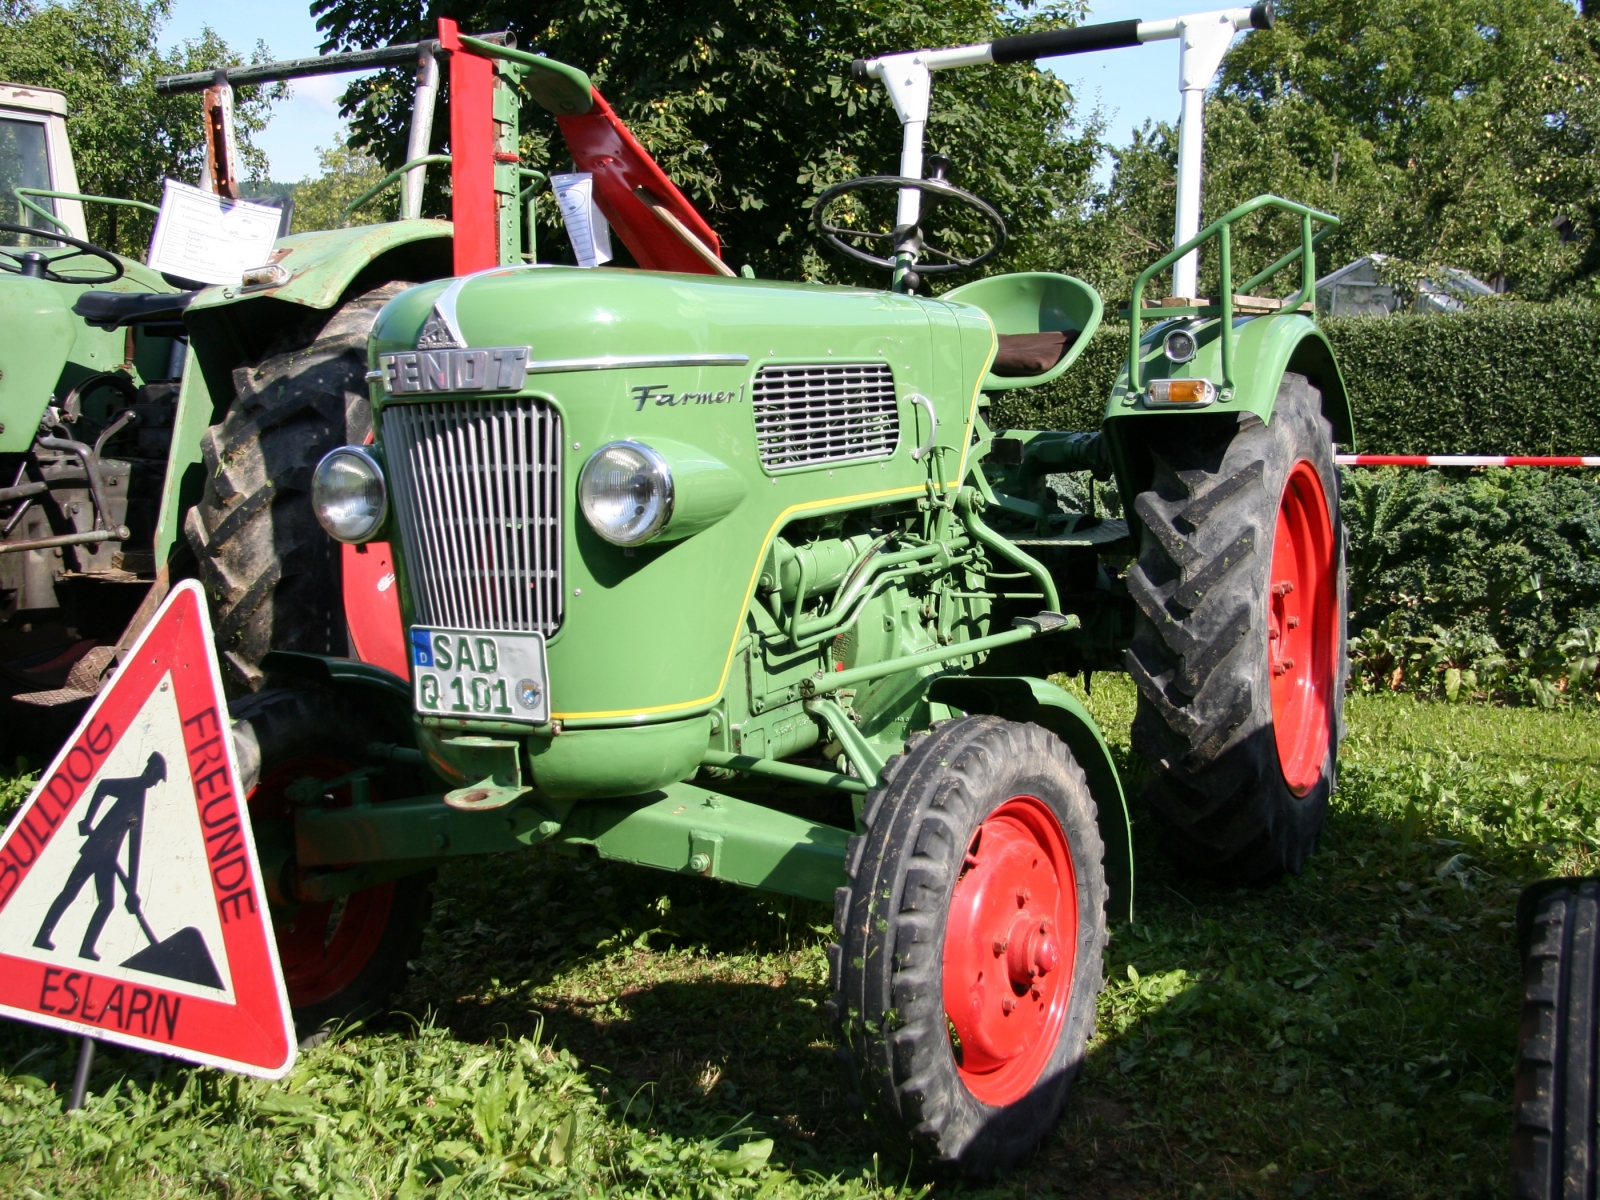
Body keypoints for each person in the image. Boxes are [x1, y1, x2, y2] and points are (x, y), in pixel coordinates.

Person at [33, 752, 166, 961]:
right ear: (150, 771)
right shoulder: (132, 787)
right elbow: (103, 785)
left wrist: (132, 890)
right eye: (156, 778)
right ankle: (43, 937)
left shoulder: (139, 797)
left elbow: (134, 846)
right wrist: (88, 820)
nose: (155, 784)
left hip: (108, 858)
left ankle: (84, 949)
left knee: (104, 903)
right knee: (71, 893)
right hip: (96, 851)